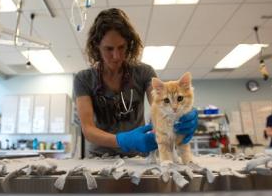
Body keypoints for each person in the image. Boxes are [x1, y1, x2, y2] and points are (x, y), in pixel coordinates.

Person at [73, 8, 197, 157]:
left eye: (121, 47)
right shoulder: (83, 79)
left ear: (130, 45)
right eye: (108, 49)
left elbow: (160, 107)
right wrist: (123, 140)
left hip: (138, 156)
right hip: (99, 158)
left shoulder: (144, 72)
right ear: (96, 47)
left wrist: (183, 115)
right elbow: (88, 130)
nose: (116, 56)